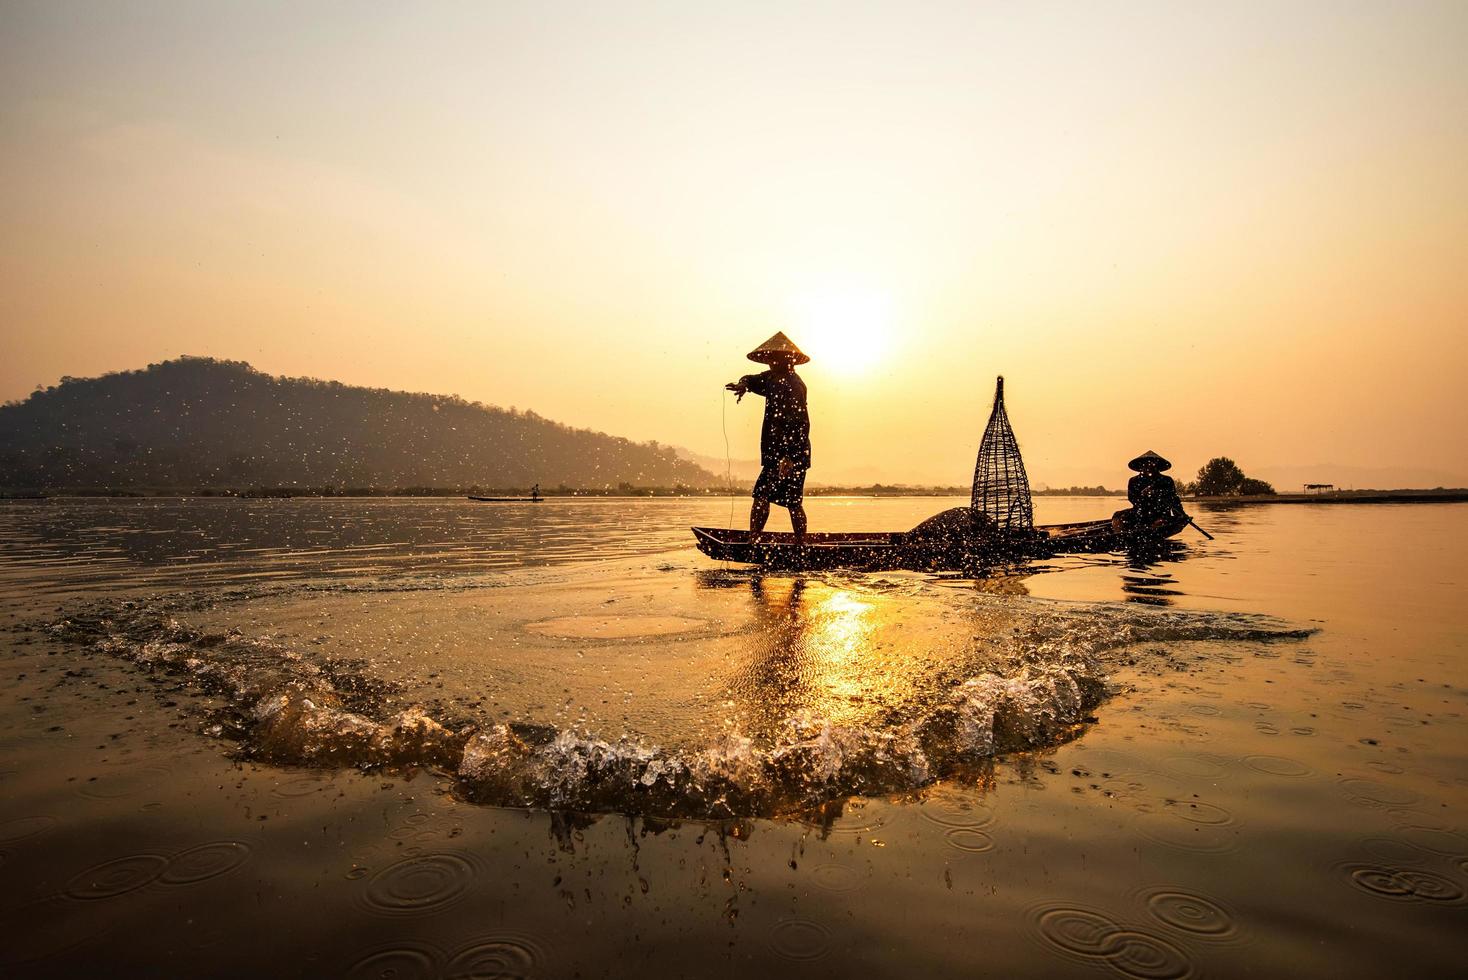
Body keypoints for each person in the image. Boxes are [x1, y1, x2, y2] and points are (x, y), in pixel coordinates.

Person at [726, 332, 811, 539]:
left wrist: (789, 457)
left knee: (791, 502)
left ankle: (801, 545)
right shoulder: (772, 378)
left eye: (774, 359)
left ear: (784, 360)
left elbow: (800, 423)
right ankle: (755, 539)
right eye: (769, 360)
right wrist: (743, 385)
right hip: (776, 453)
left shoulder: (794, 385)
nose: (770, 363)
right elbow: (750, 378)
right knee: (762, 496)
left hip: (793, 454)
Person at [1114, 450, 1186, 532]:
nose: (1149, 467)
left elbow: (1174, 500)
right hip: (1140, 513)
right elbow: (1132, 499)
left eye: (1152, 464)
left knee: (1160, 522)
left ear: (1157, 466)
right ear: (1141, 466)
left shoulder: (1166, 480)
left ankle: (1148, 528)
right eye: (1146, 464)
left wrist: (1181, 514)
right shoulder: (1134, 481)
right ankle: (1122, 534)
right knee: (1117, 516)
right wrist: (1143, 495)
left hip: (1160, 514)